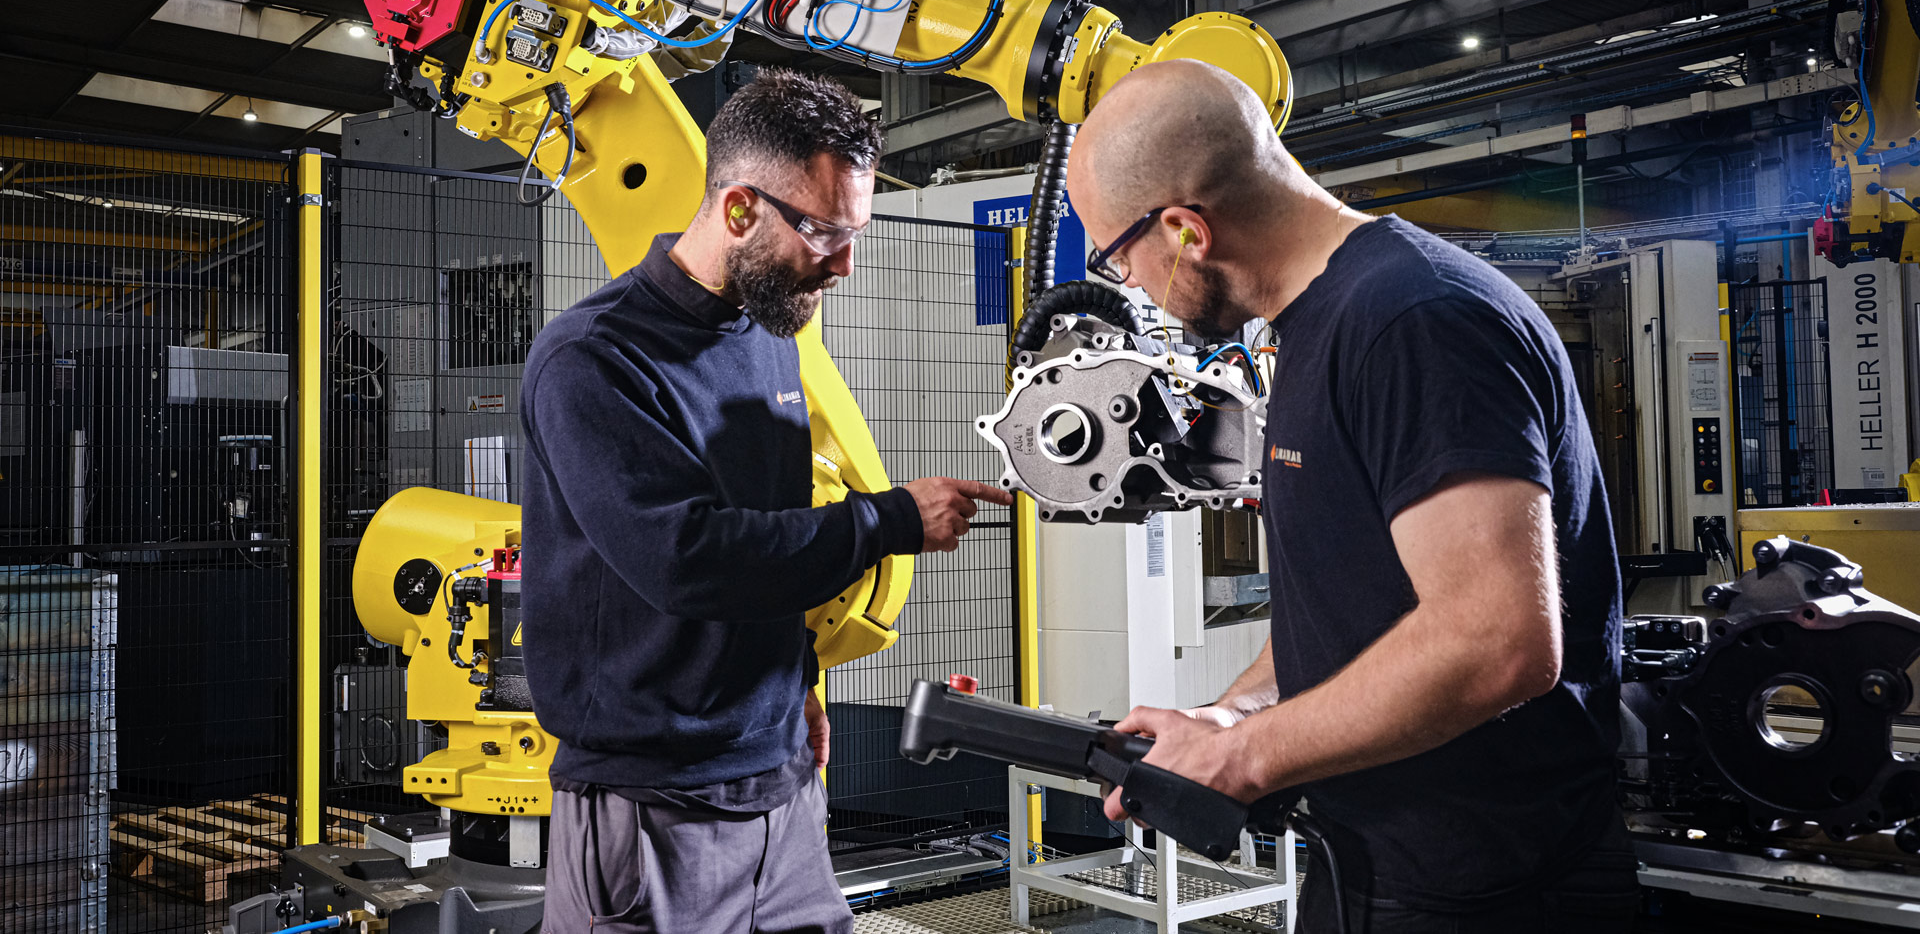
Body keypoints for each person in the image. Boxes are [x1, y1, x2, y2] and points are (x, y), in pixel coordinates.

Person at [1067, 60, 1634, 931]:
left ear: (1185, 230)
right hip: (1377, 865)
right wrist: (1230, 715)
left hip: (1489, 891)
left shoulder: (1413, 319)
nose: (1132, 284)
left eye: (1118, 256)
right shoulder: (1320, 325)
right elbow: (1347, 610)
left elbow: (1498, 640)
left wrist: (1245, 760)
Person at [521, 67, 1011, 934]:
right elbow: (689, 560)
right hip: (654, 814)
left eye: (855, 233)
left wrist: (801, 681)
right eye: (825, 231)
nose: (845, 264)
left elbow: (771, 532)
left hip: (783, 791)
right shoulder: (593, 360)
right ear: (740, 208)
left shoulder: (770, 338)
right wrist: (892, 519)